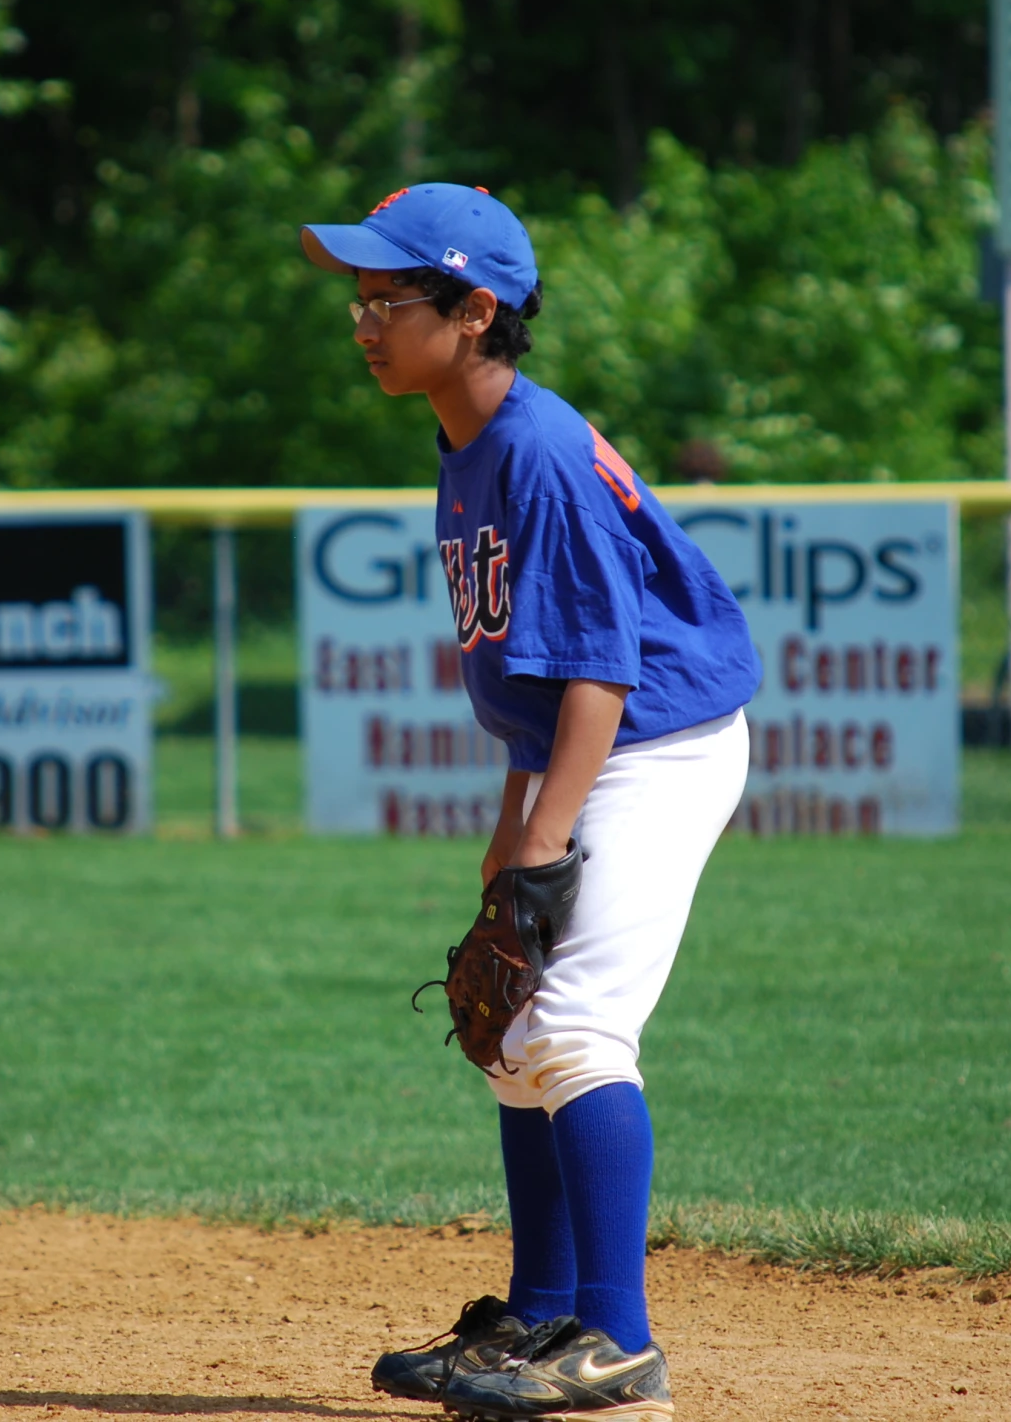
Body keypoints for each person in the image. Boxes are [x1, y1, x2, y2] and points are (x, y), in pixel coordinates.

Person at [298, 184, 760, 1420]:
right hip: (583, 740)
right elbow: (538, 672)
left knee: (572, 1029)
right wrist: (512, 831)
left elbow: (602, 672)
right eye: (358, 299)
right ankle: (543, 1314)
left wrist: (545, 832)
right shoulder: (468, 436)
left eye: (387, 299)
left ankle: (615, 1343)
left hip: (657, 743)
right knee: (509, 1039)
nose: (363, 320)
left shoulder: (536, 449)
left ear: (474, 309)